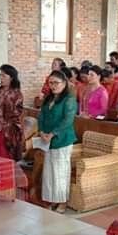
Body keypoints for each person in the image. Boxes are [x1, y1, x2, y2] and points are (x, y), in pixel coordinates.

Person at [38, 70, 78, 214]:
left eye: (56, 83)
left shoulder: (69, 99)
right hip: (47, 140)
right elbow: (41, 115)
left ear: (64, 83)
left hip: (63, 139)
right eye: (50, 83)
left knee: (60, 171)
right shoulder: (48, 98)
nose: (53, 86)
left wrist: (53, 133)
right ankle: (51, 199)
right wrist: (42, 131)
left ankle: (62, 201)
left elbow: (67, 120)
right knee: (49, 171)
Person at [0, 64, 24, 160]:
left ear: (11, 78)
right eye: (0, 75)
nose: (1, 78)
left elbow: (16, 113)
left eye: (3, 76)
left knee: (6, 157)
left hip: (9, 131)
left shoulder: (16, 93)